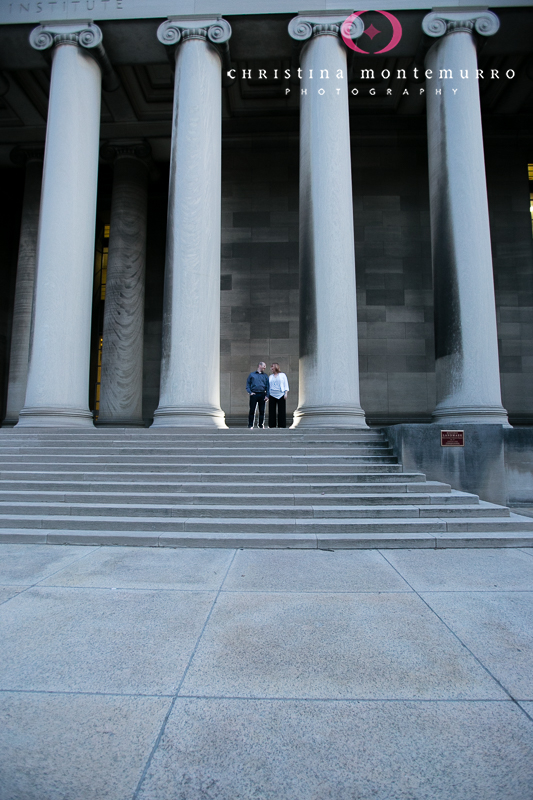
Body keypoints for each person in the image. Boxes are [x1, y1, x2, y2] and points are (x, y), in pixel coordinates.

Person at [246, 361, 269, 428]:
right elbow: (248, 384)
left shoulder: (265, 376)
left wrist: (267, 395)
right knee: (252, 410)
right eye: (264, 366)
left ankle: (261, 425)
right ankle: (250, 424)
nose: (265, 367)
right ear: (259, 365)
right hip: (254, 394)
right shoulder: (252, 375)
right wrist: (250, 392)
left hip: (262, 394)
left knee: (262, 411)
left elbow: (267, 386)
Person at [268, 362, 289, 428]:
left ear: (276, 367)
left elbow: (286, 384)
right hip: (272, 394)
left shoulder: (282, 375)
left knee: (281, 410)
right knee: (271, 411)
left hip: (280, 394)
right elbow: (268, 386)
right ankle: (272, 425)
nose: (271, 369)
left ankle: (282, 425)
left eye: (272, 367)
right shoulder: (270, 376)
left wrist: (286, 393)